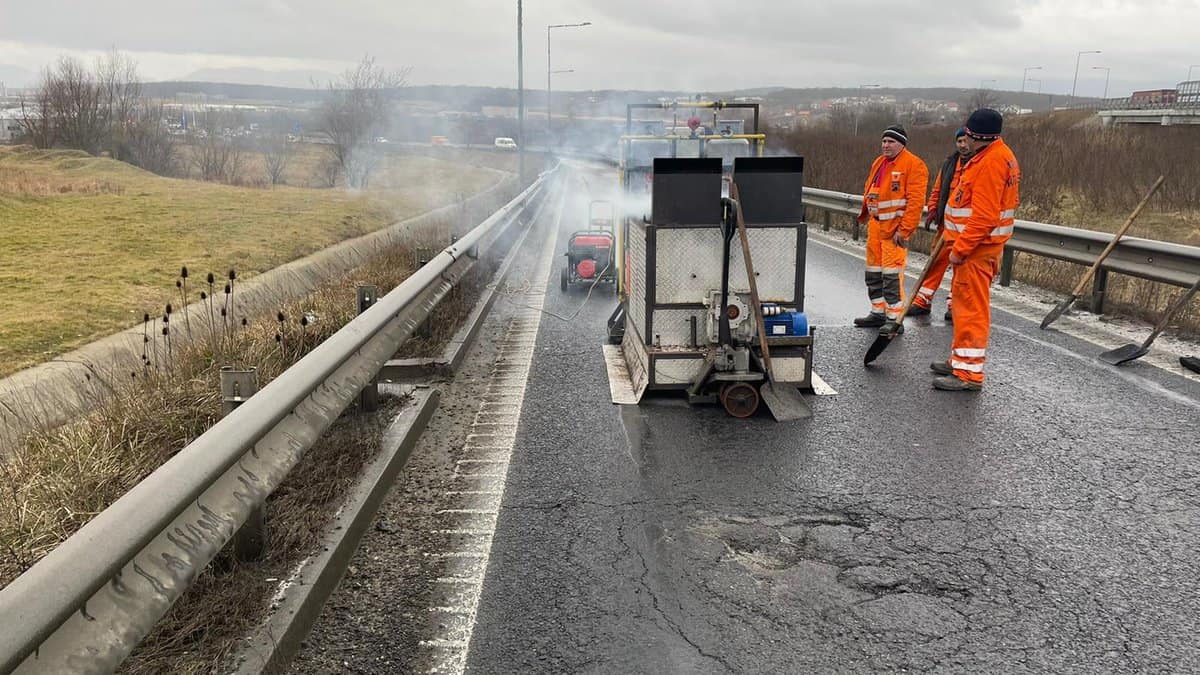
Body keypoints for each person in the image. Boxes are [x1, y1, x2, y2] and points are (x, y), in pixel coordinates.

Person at [932, 108, 1020, 391]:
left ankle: (969, 374)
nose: (964, 140)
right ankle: (959, 361)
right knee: (961, 307)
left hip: (976, 250)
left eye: (968, 135)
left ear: (977, 136)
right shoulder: (987, 156)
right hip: (972, 248)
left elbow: (983, 216)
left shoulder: (991, 163)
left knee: (971, 310)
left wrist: (961, 248)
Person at [853, 125, 930, 328]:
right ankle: (878, 312)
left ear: (901, 144)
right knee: (873, 272)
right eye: (884, 141)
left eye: (891, 142)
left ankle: (895, 318)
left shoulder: (914, 165)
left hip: (894, 231)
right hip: (876, 226)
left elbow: (915, 203)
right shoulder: (879, 162)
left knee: (892, 276)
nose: (885, 145)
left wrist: (904, 231)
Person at [908, 127, 971, 322]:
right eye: (959, 141)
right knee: (936, 261)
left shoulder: (978, 165)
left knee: (960, 265)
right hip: (946, 225)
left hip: (967, 228)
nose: (962, 145)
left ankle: (955, 305)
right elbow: (937, 189)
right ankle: (923, 301)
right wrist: (933, 209)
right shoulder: (949, 165)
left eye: (965, 141)